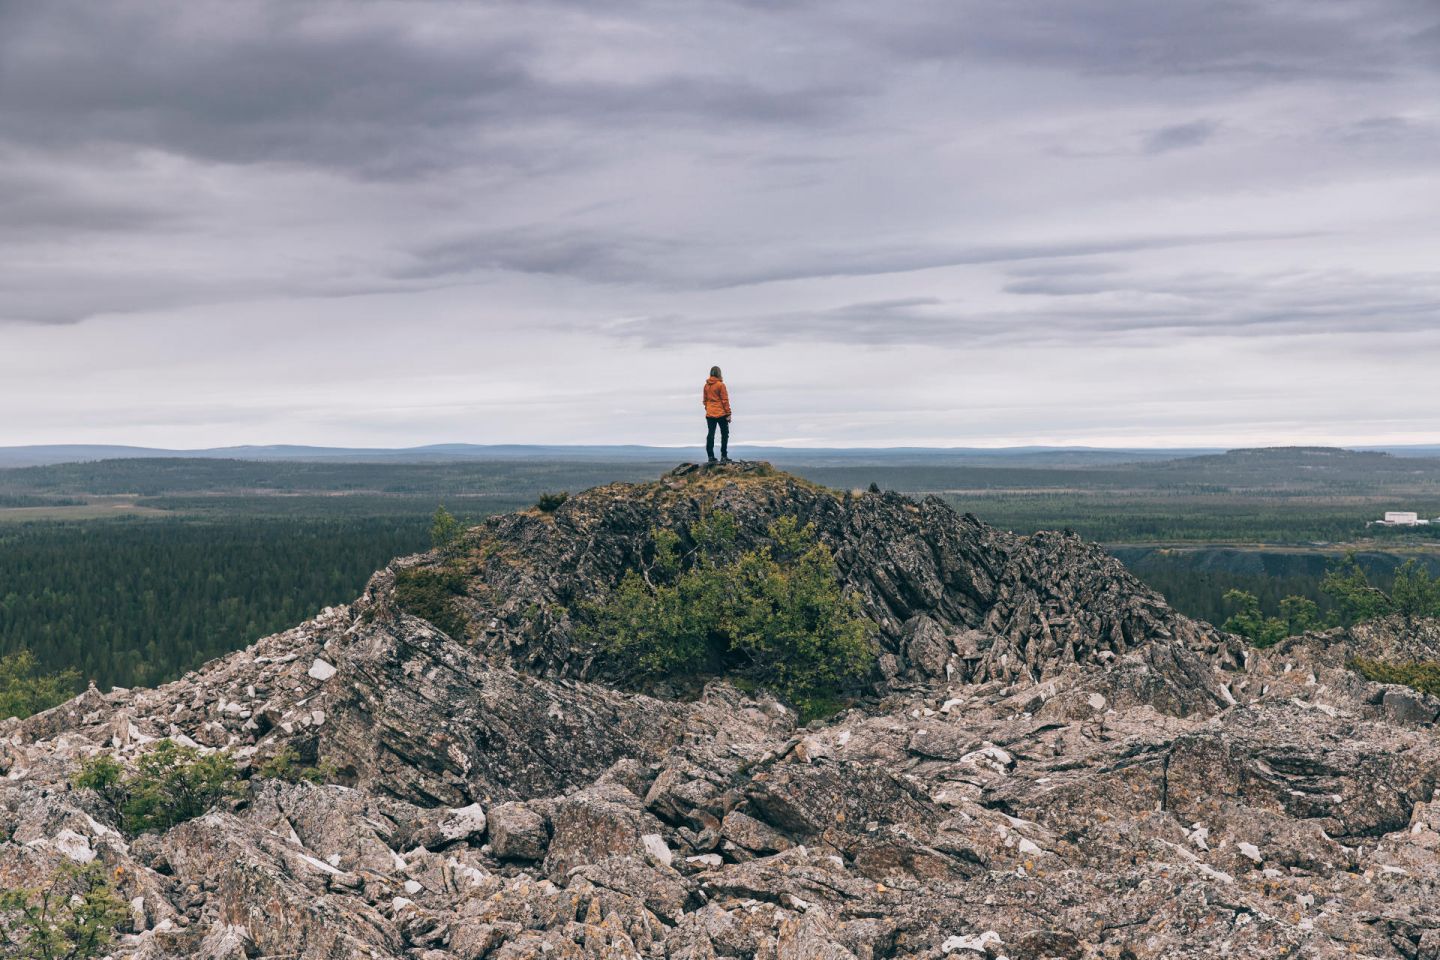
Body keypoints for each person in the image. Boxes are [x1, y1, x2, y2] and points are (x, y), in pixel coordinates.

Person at [702, 366, 732, 463]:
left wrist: (708, 408)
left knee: (711, 434)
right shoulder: (721, 385)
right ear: (719, 373)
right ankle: (724, 456)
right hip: (721, 413)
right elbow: (725, 400)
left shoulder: (706, 386)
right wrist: (728, 413)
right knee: (724, 434)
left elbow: (705, 401)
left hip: (710, 414)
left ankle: (710, 456)